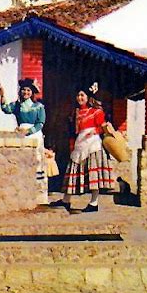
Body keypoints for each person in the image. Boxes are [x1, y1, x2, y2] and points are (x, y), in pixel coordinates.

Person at [49, 82, 113, 213]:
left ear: (88, 97)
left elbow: (103, 127)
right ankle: (66, 200)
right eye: (78, 95)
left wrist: (95, 131)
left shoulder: (97, 112)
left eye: (82, 95)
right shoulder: (76, 112)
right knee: (72, 172)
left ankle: (94, 203)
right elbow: (74, 130)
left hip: (93, 145)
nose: (79, 98)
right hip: (80, 143)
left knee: (93, 175)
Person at [0, 78, 48, 204]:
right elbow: (6, 109)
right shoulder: (17, 105)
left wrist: (29, 131)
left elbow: (40, 123)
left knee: (37, 162)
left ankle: (39, 195)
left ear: (32, 93)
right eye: (24, 90)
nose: (26, 92)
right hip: (21, 135)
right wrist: (2, 96)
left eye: (28, 90)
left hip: (34, 134)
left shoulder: (38, 107)